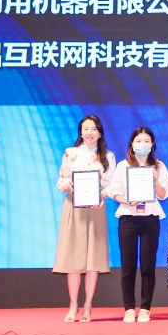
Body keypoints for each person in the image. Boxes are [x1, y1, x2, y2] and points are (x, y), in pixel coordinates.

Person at [54, 114, 117, 323]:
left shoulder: (109, 156)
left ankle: (88, 306)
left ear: (100, 132)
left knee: (93, 259)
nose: (89, 132)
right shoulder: (70, 153)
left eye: (93, 129)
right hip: (74, 207)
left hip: (96, 208)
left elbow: (111, 184)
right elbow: (61, 180)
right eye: (85, 128)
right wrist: (68, 185)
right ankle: (73, 304)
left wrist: (102, 196)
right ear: (80, 132)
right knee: (73, 257)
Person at [107, 126, 168, 322]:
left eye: (146, 141)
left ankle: (145, 308)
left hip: (150, 218)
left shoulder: (159, 166)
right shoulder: (123, 166)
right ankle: (128, 308)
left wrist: (156, 182)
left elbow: (164, 194)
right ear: (132, 144)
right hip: (128, 218)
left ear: (152, 144)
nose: (142, 145)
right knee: (128, 265)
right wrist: (127, 201)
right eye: (139, 141)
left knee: (147, 265)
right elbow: (114, 192)